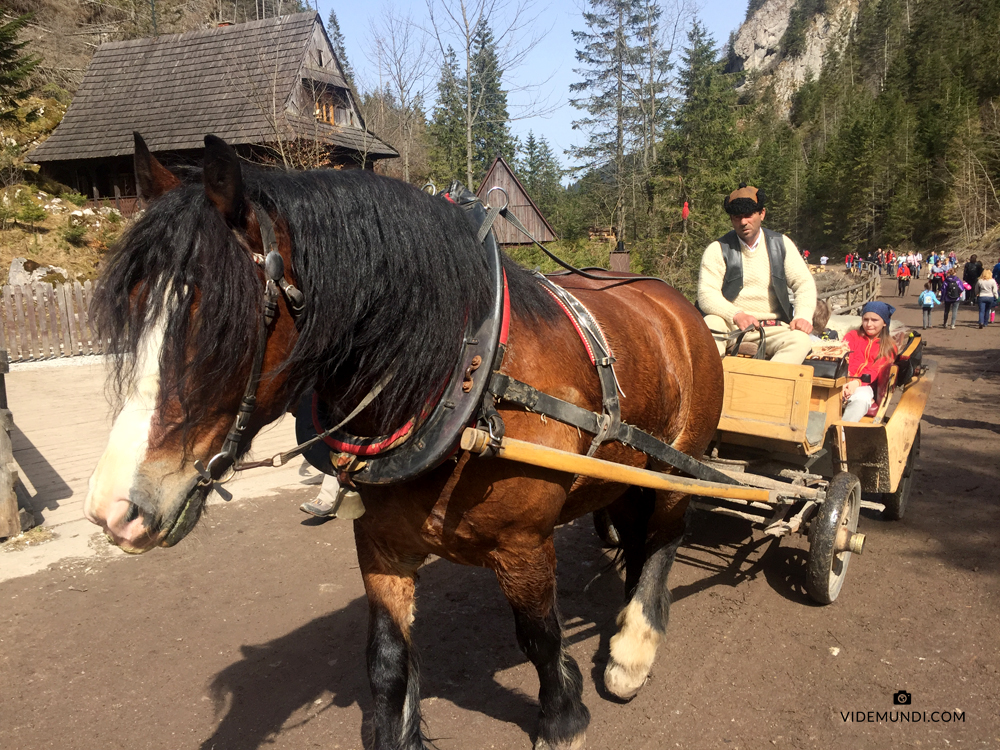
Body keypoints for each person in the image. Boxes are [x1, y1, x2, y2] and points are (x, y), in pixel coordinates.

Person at [698, 184, 817, 364]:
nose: (743, 222)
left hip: (772, 327)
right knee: (710, 326)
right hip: (729, 325)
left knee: (800, 341)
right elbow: (706, 294)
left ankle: (768, 388)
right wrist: (736, 315)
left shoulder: (781, 244)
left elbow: (804, 284)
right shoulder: (717, 249)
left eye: (748, 215)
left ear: (762, 213)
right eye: (737, 217)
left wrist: (803, 316)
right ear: (731, 219)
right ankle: (713, 386)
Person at [841, 301, 898, 422]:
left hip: (867, 385)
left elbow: (876, 369)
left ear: (884, 323)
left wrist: (856, 383)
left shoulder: (889, 346)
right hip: (844, 380)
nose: (869, 324)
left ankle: (841, 432)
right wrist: (846, 382)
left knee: (861, 398)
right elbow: (844, 359)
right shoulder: (852, 336)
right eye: (865, 319)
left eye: (874, 320)